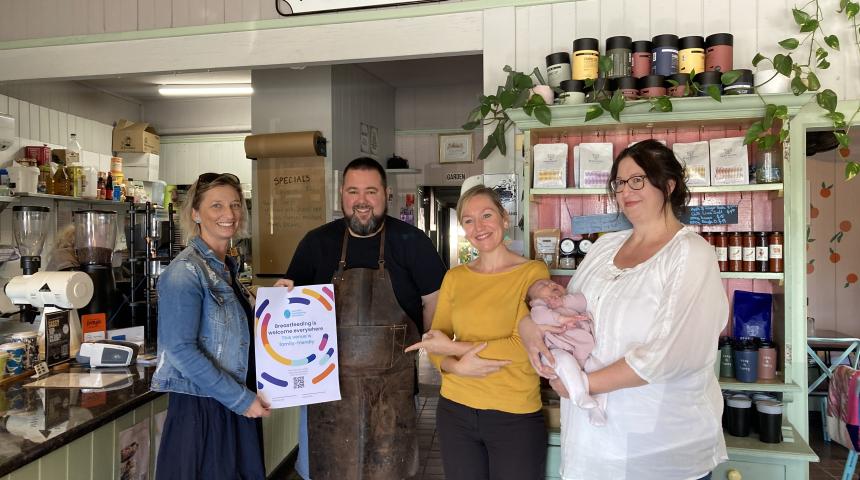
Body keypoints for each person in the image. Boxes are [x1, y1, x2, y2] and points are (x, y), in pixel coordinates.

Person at [519, 139, 728, 480]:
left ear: (669, 185)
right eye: (619, 183)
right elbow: (567, 311)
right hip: (592, 449)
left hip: (658, 451)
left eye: (638, 180)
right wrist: (531, 328)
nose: (625, 191)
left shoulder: (690, 254)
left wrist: (582, 383)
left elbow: (668, 355)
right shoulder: (605, 247)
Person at [276, 157, 446, 479]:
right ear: (341, 194)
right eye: (353, 192)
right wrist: (281, 298)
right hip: (325, 392)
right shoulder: (316, 243)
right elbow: (292, 307)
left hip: (392, 394)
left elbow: (434, 302)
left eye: (371, 191)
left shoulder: (413, 243)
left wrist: (427, 345)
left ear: (387, 194)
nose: (362, 201)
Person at [405, 185, 549, 480]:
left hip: (514, 415)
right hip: (455, 412)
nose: (479, 227)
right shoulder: (455, 277)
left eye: (486, 215)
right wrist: (452, 364)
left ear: (504, 219)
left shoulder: (533, 273)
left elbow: (523, 346)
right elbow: (435, 341)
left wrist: (455, 349)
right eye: (468, 220)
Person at [152, 172, 270, 479]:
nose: (228, 214)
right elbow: (179, 350)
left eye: (234, 204)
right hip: (203, 412)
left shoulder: (226, 270)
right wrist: (242, 400)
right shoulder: (185, 272)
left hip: (232, 404)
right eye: (216, 206)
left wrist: (278, 303)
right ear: (195, 213)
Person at [526, 279, 606, 425]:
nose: (551, 285)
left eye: (552, 283)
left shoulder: (568, 300)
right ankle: (579, 395)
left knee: (594, 368)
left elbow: (582, 301)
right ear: (533, 300)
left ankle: (595, 408)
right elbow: (540, 316)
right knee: (566, 363)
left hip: (580, 349)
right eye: (543, 285)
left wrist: (563, 302)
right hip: (556, 349)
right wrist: (561, 318)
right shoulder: (539, 306)